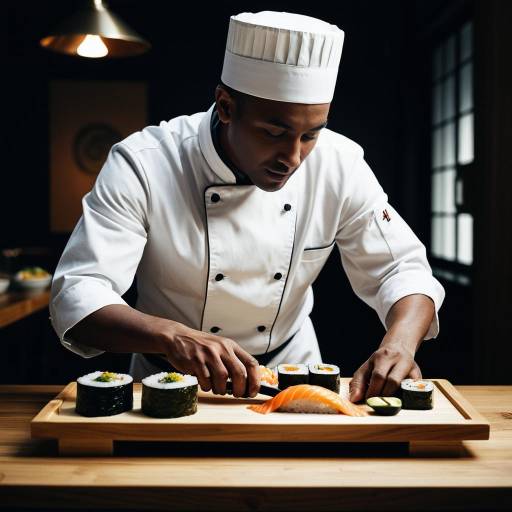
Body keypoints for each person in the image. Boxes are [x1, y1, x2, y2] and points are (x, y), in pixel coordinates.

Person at [50, 11, 444, 402]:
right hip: (168, 383)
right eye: (274, 132)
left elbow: (401, 268)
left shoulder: (339, 163)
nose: (292, 157)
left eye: (310, 134)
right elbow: (78, 293)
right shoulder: (146, 162)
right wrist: (172, 336)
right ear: (225, 106)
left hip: (294, 379)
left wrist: (400, 344)